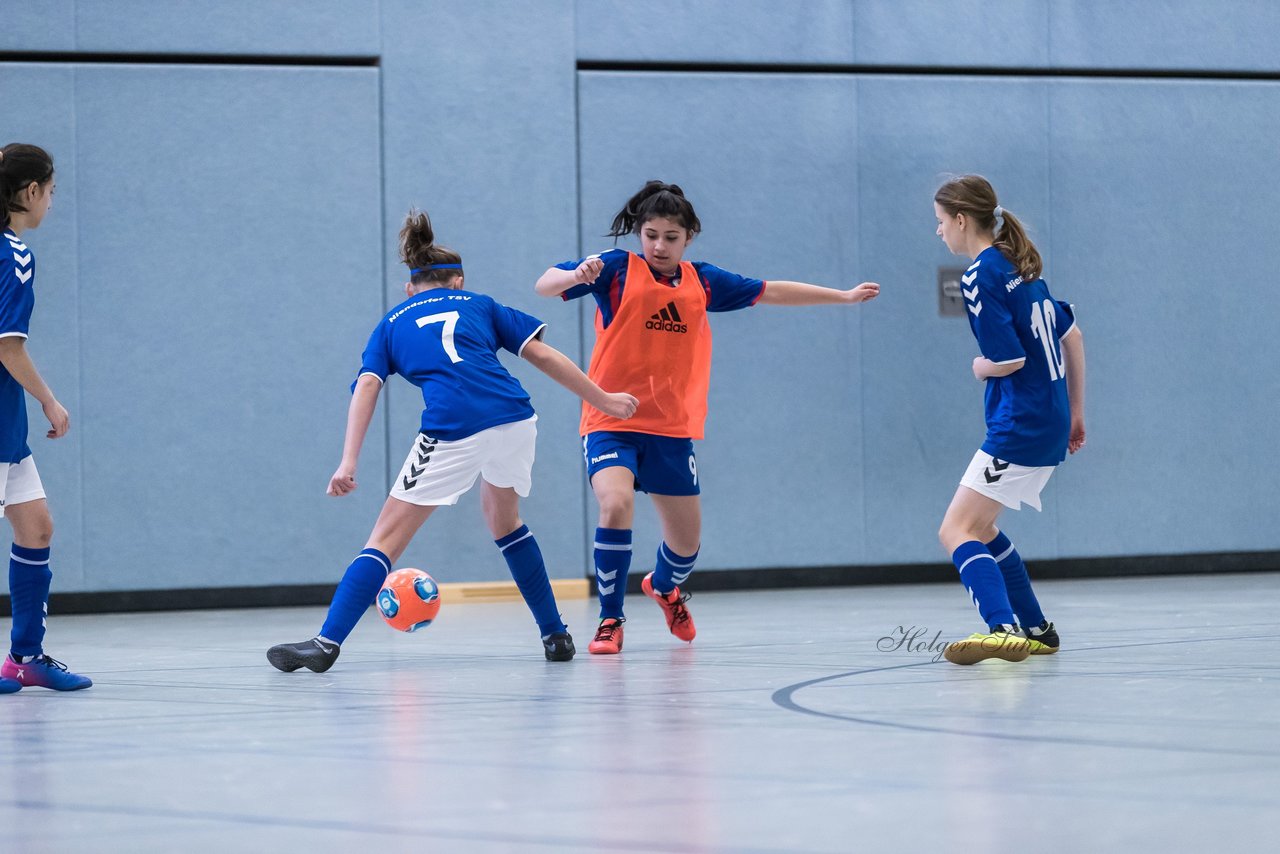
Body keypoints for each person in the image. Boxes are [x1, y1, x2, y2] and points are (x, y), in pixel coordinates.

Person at [268, 210, 638, 671]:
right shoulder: (480, 303)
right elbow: (541, 355)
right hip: (517, 418)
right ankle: (556, 635)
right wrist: (601, 398)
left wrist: (348, 461)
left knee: (384, 538)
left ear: (410, 287)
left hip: (453, 427)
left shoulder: (392, 322)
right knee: (505, 522)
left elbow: (367, 386)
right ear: (457, 281)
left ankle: (326, 643)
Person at [535, 180, 880, 654]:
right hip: (610, 419)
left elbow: (771, 292)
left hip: (671, 429)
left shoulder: (703, 281)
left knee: (685, 547)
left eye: (670, 237)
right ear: (639, 233)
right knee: (615, 504)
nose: (658, 245)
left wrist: (841, 297)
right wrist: (576, 275)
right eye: (650, 234)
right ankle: (610, 619)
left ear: (689, 237)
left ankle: (664, 585)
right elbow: (544, 284)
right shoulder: (615, 269)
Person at [932, 175, 1086, 665]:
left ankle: (1001, 630)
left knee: (955, 529)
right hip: (1050, 415)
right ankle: (1037, 629)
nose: (939, 233)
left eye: (940, 222)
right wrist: (1076, 413)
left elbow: (1008, 359)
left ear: (961, 219)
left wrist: (978, 367)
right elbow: (1073, 336)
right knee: (984, 528)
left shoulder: (980, 275)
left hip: (1021, 422)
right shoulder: (1019, 264)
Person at [0, 144, 92, 692]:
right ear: (30, 192)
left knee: (36, 527)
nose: (52, 205)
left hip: (8, 430)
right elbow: (9, 348)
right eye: (51, 192)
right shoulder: (15, 255)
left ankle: (25, 656)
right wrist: (51, 401)